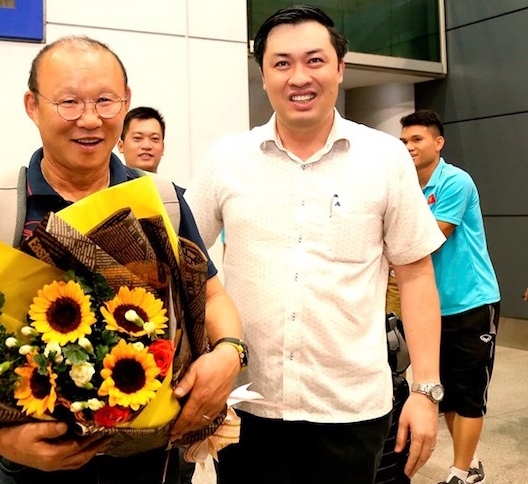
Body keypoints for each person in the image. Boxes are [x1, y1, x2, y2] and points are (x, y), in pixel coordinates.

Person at [0, 35, 244, 484]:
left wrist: (229, 353)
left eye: (106, 101)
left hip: (153, 460)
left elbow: (211, 294)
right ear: (32, 105)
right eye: (68, 102)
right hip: (35, 467)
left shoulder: (162, 202)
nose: (89, 119)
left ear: (125, 103)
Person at [184, 5, 446, 483]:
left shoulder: (384, 157)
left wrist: (426, 391)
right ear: (262, 73)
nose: (298, 76)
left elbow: (416, 274)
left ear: (341, 69)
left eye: (315, 60)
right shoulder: (226, 160)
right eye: (281, 63)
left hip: (351, 409)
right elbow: (182, 266)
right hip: (245, 404)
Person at [400, 109, 501, 484]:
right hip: (432, 307)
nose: (408, 147)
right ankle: (470, 461)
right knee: (449, 393)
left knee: (471, 393)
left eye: (417, 139)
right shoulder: (408, 187)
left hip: (474, 302)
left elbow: (430, 239)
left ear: (438, 143)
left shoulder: (455, 182)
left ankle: (461, 472)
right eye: (404, 141)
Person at [118, 105, 196, 484]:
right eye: (138, 137)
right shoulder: (105, 197)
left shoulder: (178, 200)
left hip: (171, 342)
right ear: (120, 143)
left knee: (176, 459)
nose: (147, 146)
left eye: (155, 139)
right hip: (119, 337)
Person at [118, 106, 166, 173]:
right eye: (137, 138)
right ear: (121, 146)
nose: (147, 146)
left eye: (154, 139)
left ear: (163, 148)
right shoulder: (106, 183)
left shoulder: (168, 184)